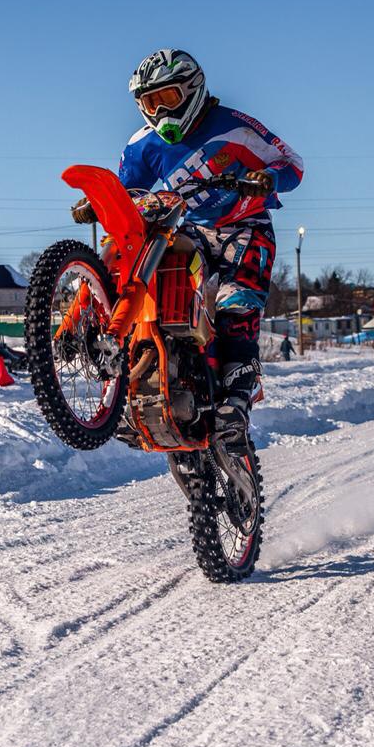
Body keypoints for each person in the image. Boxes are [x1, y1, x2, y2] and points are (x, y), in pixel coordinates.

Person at [73, 49, 303, 450]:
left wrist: (266, 178)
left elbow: (292, 164)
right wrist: (102, 203)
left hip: (244, 227)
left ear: (193, 89)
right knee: (150, 276)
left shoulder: (234, 128)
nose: (160, 112)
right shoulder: (143, 144)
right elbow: (130, 194)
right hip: (190, 228)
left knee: (236, 301)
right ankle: (140, 374)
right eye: (150, 103)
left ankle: (237, 396)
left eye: (168, 99)